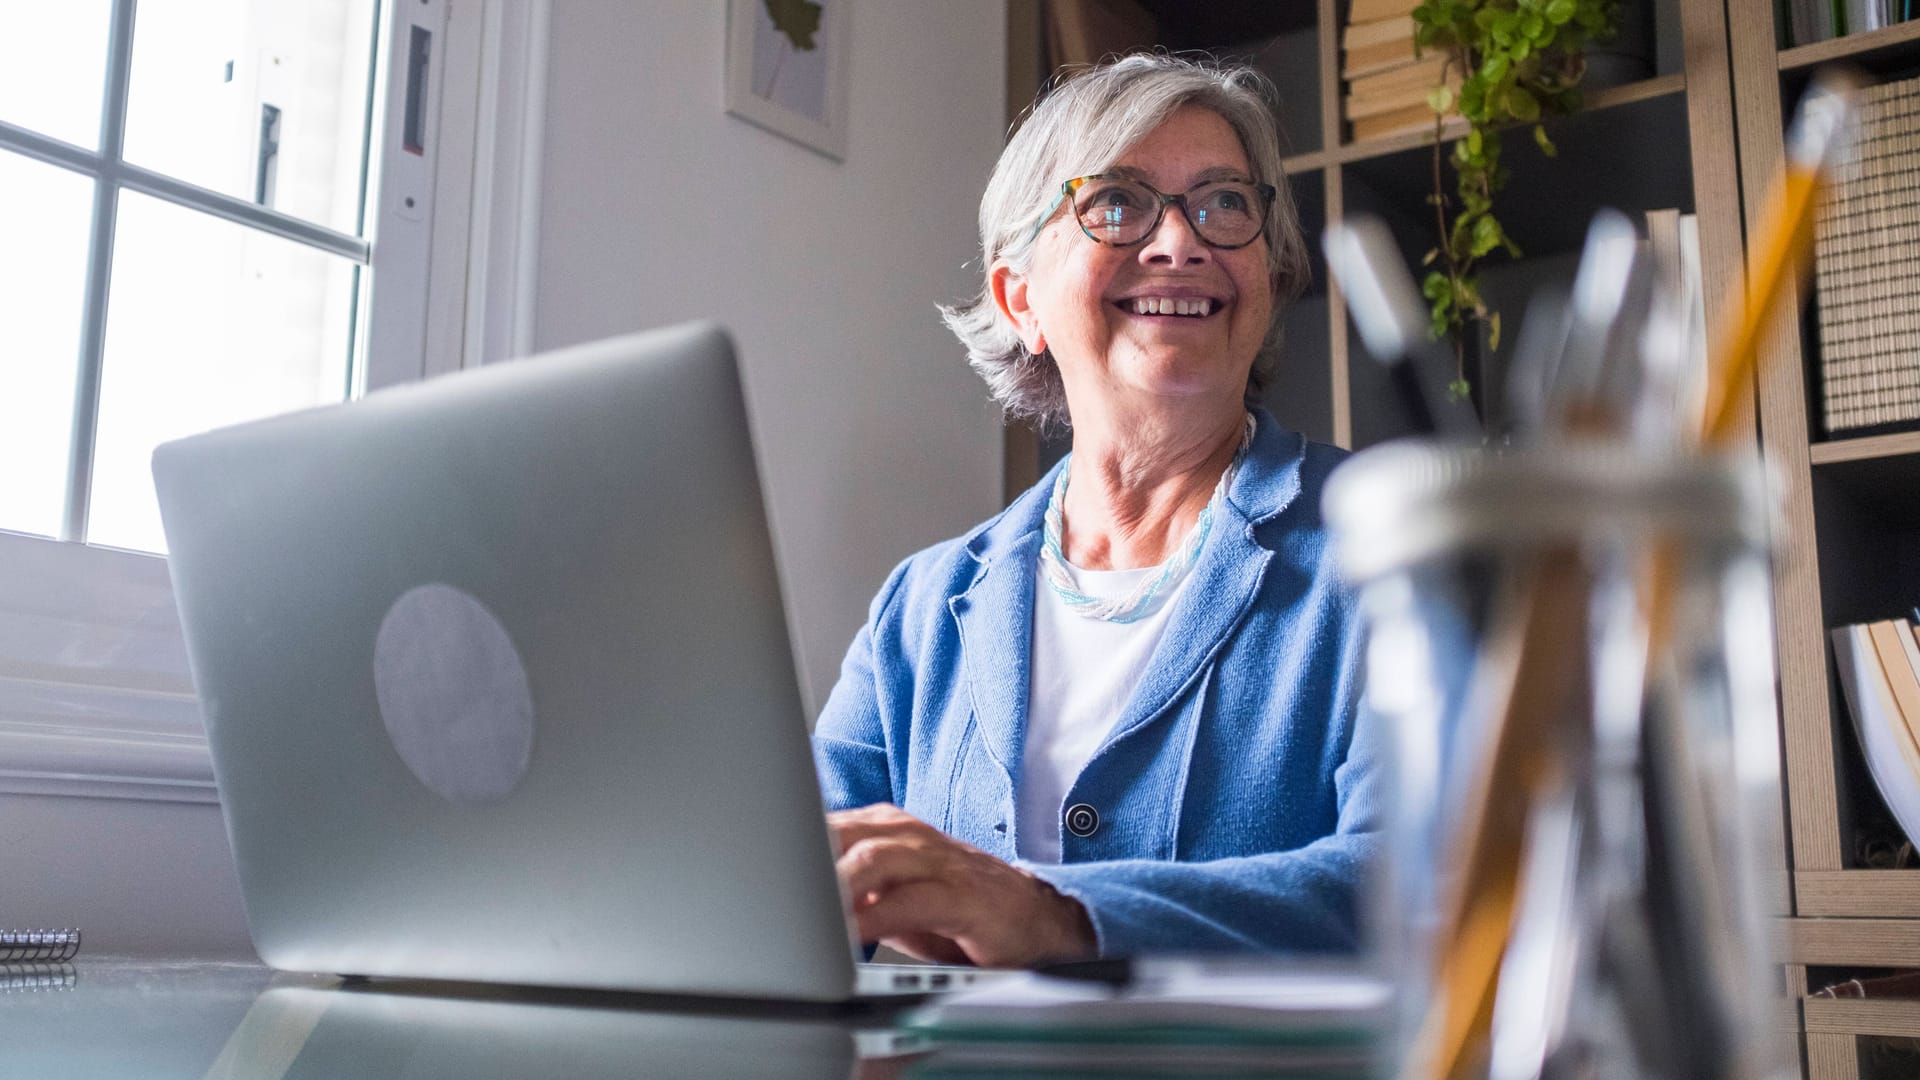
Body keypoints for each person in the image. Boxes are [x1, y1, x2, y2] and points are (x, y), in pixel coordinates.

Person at [812, 54, 1380, 969]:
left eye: (1225, 203)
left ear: (1265, 276)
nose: (1181, 243)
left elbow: (1432, 878)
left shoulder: (1394, 547)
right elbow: (792, 886)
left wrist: (1054, 915)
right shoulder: (918, 610)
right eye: (1116, 202)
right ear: (1018, 299)